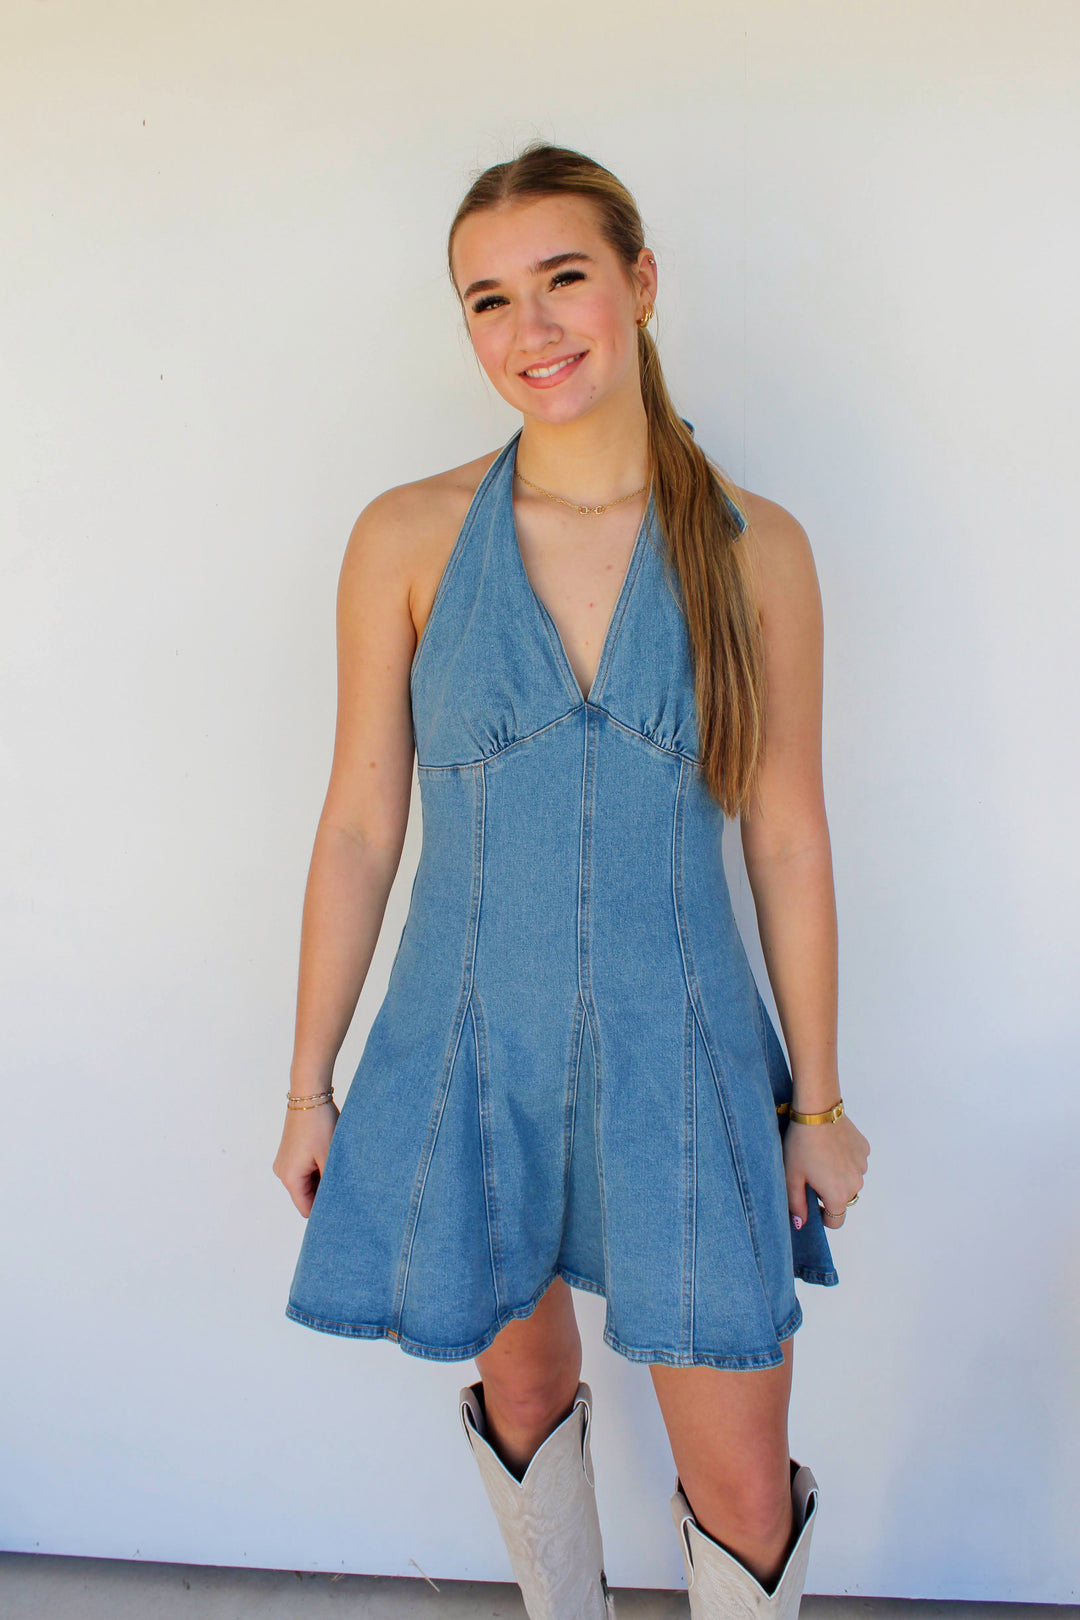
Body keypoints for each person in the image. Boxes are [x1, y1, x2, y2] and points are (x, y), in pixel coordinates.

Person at [273, 141, 870, 1620]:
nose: (529, 332)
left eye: (563, 281)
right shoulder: (407, 538)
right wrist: (309, 1083)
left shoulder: (756, 551)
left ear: (641, 284)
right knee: (527, 1389)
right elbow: (358, 823)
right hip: (469, 1045)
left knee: (739, 1469)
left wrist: (821, 1102)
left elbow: (789, 834)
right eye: (488, 301)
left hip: (689, 1054)